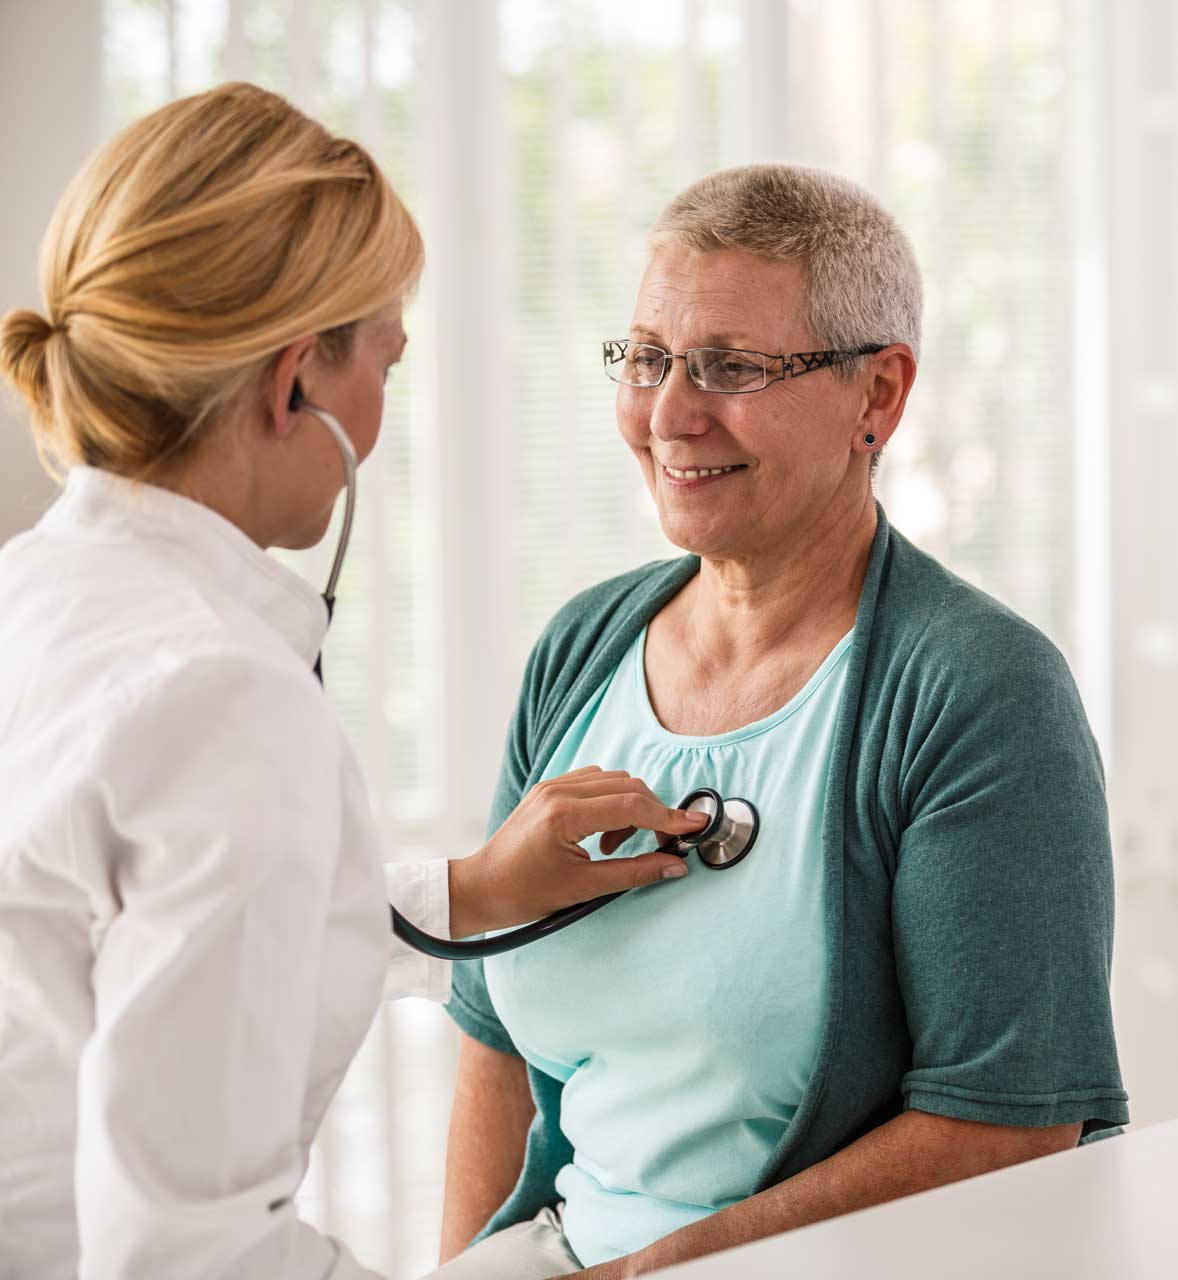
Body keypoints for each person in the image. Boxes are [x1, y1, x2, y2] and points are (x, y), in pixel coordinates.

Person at [0, 82, 707, 1279]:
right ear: (295, 386)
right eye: (383, 358)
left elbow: (115, 930)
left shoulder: (34, 593)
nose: (383, 405)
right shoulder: (223, 695)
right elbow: (190, 1256)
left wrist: (473, 890)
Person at [436, 164, 1128, 1280]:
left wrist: (658, 1270)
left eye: (733, 366)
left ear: (880, 396)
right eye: (649, 358)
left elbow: (1009, 1124)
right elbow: (491, 1033)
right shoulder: (581, 650)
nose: (669, 413)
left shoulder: (979, 692)